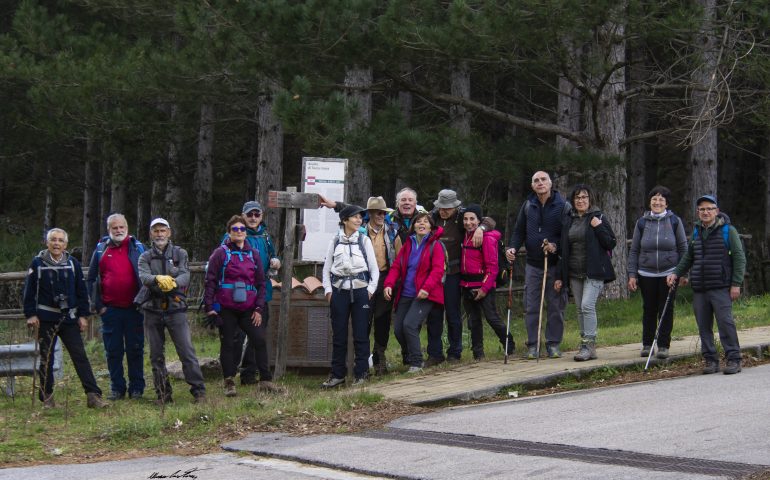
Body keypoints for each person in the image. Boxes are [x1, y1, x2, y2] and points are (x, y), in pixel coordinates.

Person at [23, 228, 109, 409]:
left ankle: (93, 395)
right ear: (47, 243)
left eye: (60, 240)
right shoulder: (38, 263)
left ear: (65, 244)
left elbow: (81, 290)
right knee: (47, 359)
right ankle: (47, 397)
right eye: (53, 240)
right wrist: (31, 314)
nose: (56, 243)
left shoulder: (73, 263)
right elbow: (29, 291)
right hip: (45, 318)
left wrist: (83, 316)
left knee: (80, 356)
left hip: (69, 319)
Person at [667, 195, 746, 375]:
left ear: (716, 211)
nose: (705, 212)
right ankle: (711, 360)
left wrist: (736, 284)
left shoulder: (728, 231)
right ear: (698, 212)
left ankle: (734, 359)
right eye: (702, 209)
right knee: (703, 326)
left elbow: (740, 258)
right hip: (700, 288)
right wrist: (676, 273)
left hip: (721, 286)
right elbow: (689, 257)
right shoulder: (696, 232)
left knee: (725, 323)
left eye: (709, 209)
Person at [135, 218, 206, 404]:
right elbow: (144, 276)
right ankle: (163, 395)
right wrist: (158, 278)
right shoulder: (145, 256)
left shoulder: (179, 253)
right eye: (156, 231)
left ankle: (199, 392)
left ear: (169, 232)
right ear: (151, 233)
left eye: (162, 230)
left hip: (176, 308)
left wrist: (174, 282)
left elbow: (185, 274)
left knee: (186, 351)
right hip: (152, 309)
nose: (159, 234)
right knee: (156, 355)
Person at [204, 215, 273, 396]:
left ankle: (266, 380)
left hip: (248, 307)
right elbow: (210, 280)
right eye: (235, 229)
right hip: (226, 307)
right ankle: (229, 381)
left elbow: (260, 283)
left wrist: (258, 308)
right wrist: (210, 307)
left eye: (242, 229)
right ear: (229, 232)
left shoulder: (253, 255)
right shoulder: (220, 253)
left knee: (259, 339)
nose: (239, 232)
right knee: (229, 342)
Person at [505, 171, 569, 359]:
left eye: (543, 180)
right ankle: (533, 344)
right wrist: (513, 248)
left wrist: (555, 246)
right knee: (531, 305)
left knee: (556, 306)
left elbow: (567, 237)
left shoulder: (563, 206)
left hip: (555, 264)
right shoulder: (528, 206)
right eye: (536, 181)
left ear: (550, 183)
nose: (540, 183)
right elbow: (518, 232)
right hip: (533, 264)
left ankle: (553, 344)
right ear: (532, 185)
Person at [426, 189, 491, 366]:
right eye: (441, 207)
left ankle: (455, 352)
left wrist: (480, 228)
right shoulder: (433, 217)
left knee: (453, 313)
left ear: (455, 206)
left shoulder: (462, 217)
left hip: (453, 273)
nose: (443, 210)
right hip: (434, 273)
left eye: (447, 208)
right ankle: (434, 353)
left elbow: (489, 221)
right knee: (434, 314)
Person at [86, 213, 146, 400]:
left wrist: (144, 301)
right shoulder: (100, 250)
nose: (119, 231)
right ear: (109, 230)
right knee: (113, 351)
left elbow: (147, 275)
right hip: (110, 310)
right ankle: (117, 388)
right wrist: (99, 305)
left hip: (134, 308)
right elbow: (91, 278)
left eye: (122, 227)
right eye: (115, 228)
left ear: (127, 228)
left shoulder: (139, 247)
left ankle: (137, 388)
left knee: (135, 348)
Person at [554, 185, 617, 361]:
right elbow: (562, 250)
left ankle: (589, 345)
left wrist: (598, 227)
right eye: (577, 198)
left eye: (584, 197)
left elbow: (611, 242)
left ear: (590, 200)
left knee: (587, 306)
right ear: (573, 201)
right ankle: (585, 345)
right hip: (574, 271)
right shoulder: (569, 220)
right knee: (580, 310)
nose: (581, 200)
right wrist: (560, 276)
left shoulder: (598, 217)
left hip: (594, 271)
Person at [321, 205, 379, 387]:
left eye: (360, 218)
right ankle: (337, 375)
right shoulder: (335, 241)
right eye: (354, 217)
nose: (358, 220)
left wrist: (370, 290)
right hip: (339, 292)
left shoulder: (364, 240)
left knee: (361, 334)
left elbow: (374, 268)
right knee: (339, 335)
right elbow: (326, 268)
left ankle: (361, 374)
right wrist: (328, 291)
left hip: (361, 291)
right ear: (345, 220)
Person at [627, 186, 687, 359]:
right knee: (649, 309)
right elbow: (634, 250)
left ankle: (663, 345)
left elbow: (683, 248)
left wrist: (682, 273)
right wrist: (632, 274)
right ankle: (647, 344)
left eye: (661, 199)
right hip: (646, 273)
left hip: (670, 274)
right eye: (654, 198)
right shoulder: (642, 222)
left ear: (666, 203)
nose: (657, 202)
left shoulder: (675, 221)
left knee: (666, 309)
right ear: (650, 202)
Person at [383, 212, 446, 373]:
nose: (422, 224)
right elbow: (397, 266)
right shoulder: (408, 244)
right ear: (414, 225)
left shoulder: (435, 245)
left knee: (409, 325)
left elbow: (438, 270)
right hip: (406, 292)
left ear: (431, 226)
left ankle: (416, 363)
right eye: (418, 221)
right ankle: (412, 355)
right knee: (398, 329)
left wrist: (426, 288)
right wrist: (388, 284)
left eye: (426, 222)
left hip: (425, 294)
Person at [232, 200, 282, 390]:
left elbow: (272, 256)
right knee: (236, 335)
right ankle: (229, 372)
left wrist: (276, 261)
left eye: (256, 215)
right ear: (243, 216)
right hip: (238, 293)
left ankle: (248, 373)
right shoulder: (234, 233)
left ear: (261, 216)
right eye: (249, 214)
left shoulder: (265, 236)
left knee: (258, 335)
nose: (253, 218)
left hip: (262, 292)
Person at [460, 204, 515, 360]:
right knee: (474, 320)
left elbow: (493, 267)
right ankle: (478, 353)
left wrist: (484, 289)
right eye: (465, 219)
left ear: (479, 221)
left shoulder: (487, 238)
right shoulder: (463, 234)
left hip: (484, 284)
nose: (468, 222)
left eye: (472, 219)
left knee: (492, 317)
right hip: (466, 284)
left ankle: (508, 344)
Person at [362, 196, 396, 375]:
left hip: (384, 277)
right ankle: (362, 359)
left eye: (383, 213)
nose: (381, 216)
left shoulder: (392, 231)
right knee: (364, 318)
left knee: (382, 319)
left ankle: (379, 357)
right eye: (378, 212)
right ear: (370, 214)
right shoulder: (361, 232)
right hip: (365, 278)